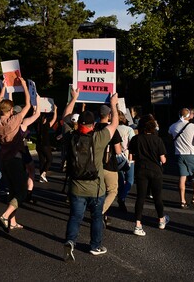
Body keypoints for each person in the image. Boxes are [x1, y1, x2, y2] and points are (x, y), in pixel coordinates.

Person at [63, 88, 118, 261]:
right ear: (93, 125)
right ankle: (95, 246)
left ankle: (70, 241)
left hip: (76, 187)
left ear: (78, 124)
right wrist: (113, 105)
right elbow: (114, 123)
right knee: (96, 217)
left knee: (75, 217)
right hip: (96, 188)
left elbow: (65, 116)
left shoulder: (70, 135)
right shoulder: (99, 138)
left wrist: (74, 98)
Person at [0, 76, 31, 231]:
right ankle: (5, 215)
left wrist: (4, 87)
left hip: (4, 159)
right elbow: (28, 104)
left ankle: (12, 221)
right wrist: (24, 85)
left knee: (12, 190)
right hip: (15, 159)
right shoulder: (14, 121)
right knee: (22, 192)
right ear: (10, 111)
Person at [128, 114, 168, 236]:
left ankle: (138, 224)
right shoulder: (158, 140)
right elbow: (163, 159)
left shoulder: (136, 139)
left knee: (140, 197)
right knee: (157, 197)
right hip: (155, 170)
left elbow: (131, 156)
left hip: (141, 170)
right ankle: (161, 219)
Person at [168, 108, 194, 208]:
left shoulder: (173, 126)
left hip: (179, 154)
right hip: (192, 153)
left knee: (182, 177)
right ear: (188, 115)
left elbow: (170, 136)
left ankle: (182, 200)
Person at [95, 104, 122, 225]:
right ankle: (100, 212)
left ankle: (104, 215)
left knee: (99, 191)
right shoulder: (111, 130)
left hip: (95, 164)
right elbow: (117, 150)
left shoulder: (94, 127)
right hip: (110, 165)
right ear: (109, 115)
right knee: (112, 191)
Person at [116, 109, 136, 212]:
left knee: (120, 180)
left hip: (115, 157)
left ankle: (120, 197)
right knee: (130, 180)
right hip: (127, 156)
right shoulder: (129, 130)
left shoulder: (112, 128)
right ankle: (122, 197)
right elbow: (132, 144)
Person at [35, 107, 57, 183]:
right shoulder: (46, 125)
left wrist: (35, 110)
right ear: (44, 120)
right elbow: (54, 119)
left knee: (42, 161)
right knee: (50, 159)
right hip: (45, 145)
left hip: (38, 145)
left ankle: (41, 177)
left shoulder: (37, 126)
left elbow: (34, 116)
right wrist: (55, 110)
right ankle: (44, 173)